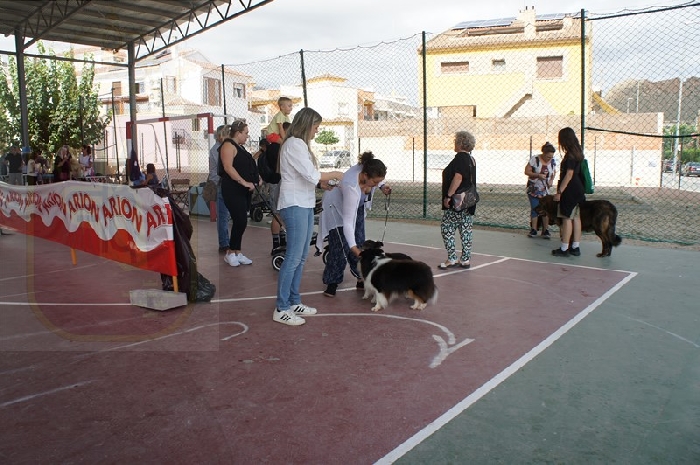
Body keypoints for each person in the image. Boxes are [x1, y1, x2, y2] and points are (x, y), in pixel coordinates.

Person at [274, 107, 344, 326]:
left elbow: (307, 177)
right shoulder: (294, 143)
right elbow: (311, 174)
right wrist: (336, 174)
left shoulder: (300, 145)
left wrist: (323, 184)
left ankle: (294, 301)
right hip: (294, 204)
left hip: (303, 203)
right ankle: (281, 307)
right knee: (294, 257)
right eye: (316, 127)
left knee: (302, 256)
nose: (317, 131)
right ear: (306, 125)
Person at [319, 151, 389, 297]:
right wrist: (353, 248)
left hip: (357, 207)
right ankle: (332, 282)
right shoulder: (351, 186)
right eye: (375, 183)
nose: (376, 185)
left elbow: (377, 177)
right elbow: (347, 222)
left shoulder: (367, 169)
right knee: (340, 244)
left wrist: (382, 186)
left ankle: (360, 276)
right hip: (336, 208)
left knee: (360, 241)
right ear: (365, 176)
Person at [219, 120, 259, 267]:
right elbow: (228, 167)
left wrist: (255, 180)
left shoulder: (240, 147)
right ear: (238, 133)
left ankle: (237, 251)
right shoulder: (228, 145)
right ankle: (230, 253)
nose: (247, 136)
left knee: (241, 221)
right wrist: (244, 182)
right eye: (246, 133)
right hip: (232, 189)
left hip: (243, 191)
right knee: (240, 220)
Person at [438, 130, 477, 270]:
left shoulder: (459, 159)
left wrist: (449, 195)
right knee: (465, 229)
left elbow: (458, 178)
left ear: (460, 143)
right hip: (468, 201)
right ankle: (465, 259)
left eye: (455, 141)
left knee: (447, 227)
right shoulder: (471, 159)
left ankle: (452, 258)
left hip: (457, 201)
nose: (454, 143)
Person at [552, 127, 586, 257]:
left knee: (566, 218)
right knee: (576, 218)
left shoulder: (570, 155)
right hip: (578, 188)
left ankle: (564, 248)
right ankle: (575, 247)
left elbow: (569, 174)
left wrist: (560, 191)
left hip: (570, 189)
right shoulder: (578, 152)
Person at [525, 142, 557, 238]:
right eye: (548, 157)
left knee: (546, 209)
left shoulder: (552, 161)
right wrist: (537, 175)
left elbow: (553, 172)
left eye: (551, 157)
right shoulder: (535, 159)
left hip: (545, 189)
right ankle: (534, 229)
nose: (549, 159)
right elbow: (527, 171)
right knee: (535, 208)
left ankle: (545, 230)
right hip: (534, 188)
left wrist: (551, 180)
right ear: (543, 153)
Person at [209, 124, 232, 253]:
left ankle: (227, 242)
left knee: (226, 215)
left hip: (225, 183)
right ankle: (224, 243)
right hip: (220, 183)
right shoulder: (217, 150)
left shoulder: (224, 147)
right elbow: (225, 166)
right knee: (223, 215)